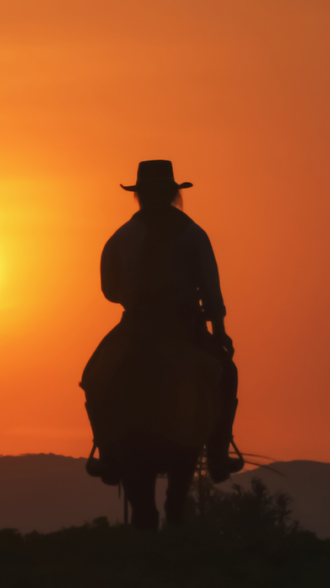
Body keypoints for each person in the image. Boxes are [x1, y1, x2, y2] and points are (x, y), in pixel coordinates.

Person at [85, 159, 244, 483]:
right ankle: (218, 452)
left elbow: (109, 290)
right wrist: (220, 332)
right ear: (173, 193)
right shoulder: (193, 235)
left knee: (94, 376)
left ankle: (107, 452)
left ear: (139, 195)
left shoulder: (122, 236)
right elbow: (212, 292)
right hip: (184, 326)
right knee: (226, 373)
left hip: (136, 327)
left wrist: (134, 296)